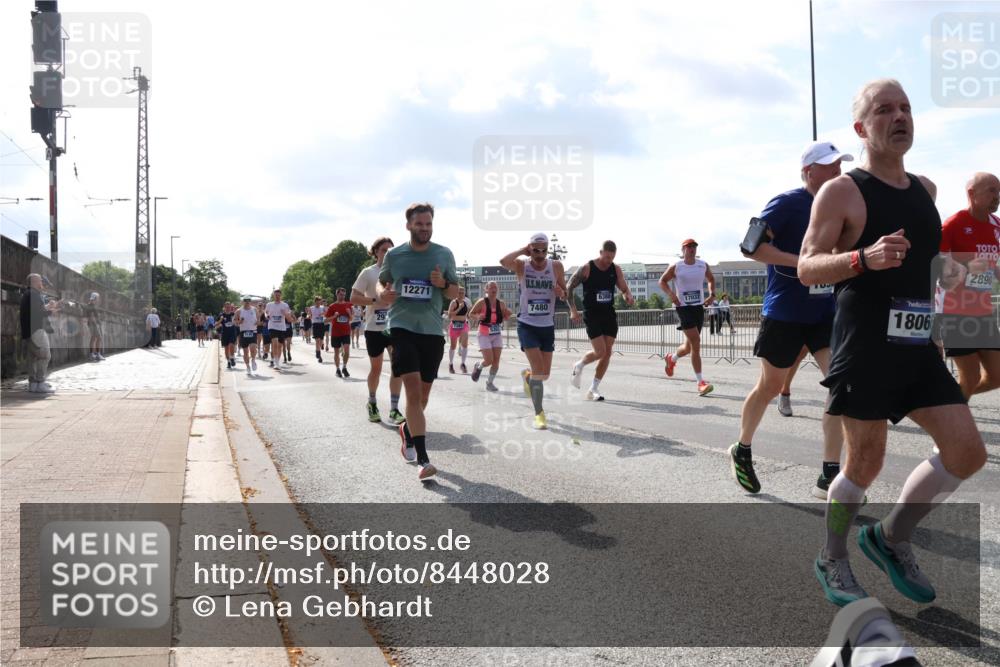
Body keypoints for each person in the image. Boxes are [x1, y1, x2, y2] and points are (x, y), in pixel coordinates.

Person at [799, 79, 986, 607]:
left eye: (905, 107)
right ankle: (832, 555)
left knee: (968, 452)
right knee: (864, 463)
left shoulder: (925, 190)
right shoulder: (843, 191)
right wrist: (863, 257)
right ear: (862, 128)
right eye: (885, 109)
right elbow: (808, 268)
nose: (898, 116)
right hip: (866, 347)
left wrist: (951, 277)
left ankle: (890, 536)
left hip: (918, 344)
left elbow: (926, 265)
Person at [729, 139, 851, 498]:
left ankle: (830, 472)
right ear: (809, 171)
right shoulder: (787, 203)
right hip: (785, 311)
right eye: (830, 166)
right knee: (769, 386)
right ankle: (743, 448)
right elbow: (750, 247)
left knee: (841, 384)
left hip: (824, 311)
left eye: (840, 165)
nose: (837, 171)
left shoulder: (840, 206)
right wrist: (800, 262)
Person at [378, 202, 459, 481]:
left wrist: (441, 285)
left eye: (428, 224)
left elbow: (455, 292)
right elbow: (382, 281)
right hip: (401, 326)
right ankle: (424, 460)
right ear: (409, 225)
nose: (424, 228)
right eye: (419, 224)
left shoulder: (444, 254)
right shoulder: (395, 255)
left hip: (432, 331)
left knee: (422, 398)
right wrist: (383, 293)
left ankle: (407, 431)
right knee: (412, 392)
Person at [937, 171, 1000, 399]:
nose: (998, 196)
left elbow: (992, 267)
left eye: (999, 190)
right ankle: (953, 417)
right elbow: (940, 270)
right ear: (972, 194)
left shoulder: (997, 226)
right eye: (992, 190)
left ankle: (947, 403)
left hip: (983, 312)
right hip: (955, 311)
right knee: (970, 377)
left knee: (996, 377)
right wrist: (966, 267)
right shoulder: (954, 224)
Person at [500, 233, 568, 430]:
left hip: (547, 325)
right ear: (531, 249)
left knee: (544, 374)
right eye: (535, 250)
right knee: (540, 372)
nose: (540, 254)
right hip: (527, 324)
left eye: (543, 250)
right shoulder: (522, 265)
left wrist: (561, 293)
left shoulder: (555, 266)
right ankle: (539, 413)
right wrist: (523, 250)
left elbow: (564, 293)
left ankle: (528, 377)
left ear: (547, 249)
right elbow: (503, 261)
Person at [567, 240, 635, 401]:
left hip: (609, 314)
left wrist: (628, 296)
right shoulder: (587, 268)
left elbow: (624, 288)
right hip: (592, 314)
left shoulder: (615, 269)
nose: (608, 261)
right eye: (606, 258)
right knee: (600, 351)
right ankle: (579, 365)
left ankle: (593, 389)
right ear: (600, 253)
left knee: (607, 353)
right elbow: (569, 286)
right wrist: (573, 310)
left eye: (611, 258)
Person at [352, 236, 405, 424]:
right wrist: (375, 301)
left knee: (397, 368)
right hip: (374, 328)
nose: (387, 253)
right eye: (384, 250)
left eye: (391, 250)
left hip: (395, 326)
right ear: (375, 252)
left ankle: (394, 409)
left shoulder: (398, 273)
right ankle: (372, 402)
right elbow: (354, 298)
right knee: (376, 369)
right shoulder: (368, 273)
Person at [660, 239, 716, 396]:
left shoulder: (702, 265)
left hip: (698, 307)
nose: (692, 249)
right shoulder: (677, 266)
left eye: (694, 247)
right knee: (696, 342)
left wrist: (712, 294)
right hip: (683, 308)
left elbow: (711, 279)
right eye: (689, 247)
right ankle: (700, 383)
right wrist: (672, 295)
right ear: (683, 249)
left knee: (689, 347)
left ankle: (672, 358)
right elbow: (662, 281)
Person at [468, 281, 513, 392]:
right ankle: (479, 366)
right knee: (488, 360)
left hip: (496, 334)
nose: (494, 289)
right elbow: (471, 314)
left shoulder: (501, 303)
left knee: (496, 361)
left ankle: (490, 383)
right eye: (491, 287)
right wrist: (478, 316)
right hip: (484, 334)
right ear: (486, 289)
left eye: (495, 287)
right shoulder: (481, 302)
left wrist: (507, 314)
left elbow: (505, 315)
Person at [20, 273, 61, 393]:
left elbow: (37, 309)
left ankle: (33, 384)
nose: (42, 283)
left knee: (33, 358)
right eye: (40, 281)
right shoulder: (34, 294)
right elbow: (38, 313)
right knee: (45, 356)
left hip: (29, 331)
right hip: (36, 330)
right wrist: (51, 312)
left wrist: (49, 306)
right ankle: (40, 383)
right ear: (34, 282)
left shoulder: (29, 294)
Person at [325, 288, 353, 377]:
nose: (342, 296)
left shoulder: (349, 304)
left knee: (347, 350)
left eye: (344, 295)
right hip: (336, 333)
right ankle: (337, 369)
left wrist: (349, 314)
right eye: (341, 294)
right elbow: (325, 320)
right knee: (336, 352)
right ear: (337, 294)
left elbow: (352, 319)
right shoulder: (332, 306)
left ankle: (344, 367)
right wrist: (334, 316)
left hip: (346, 332)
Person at [446, 286, 473, 373]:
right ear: (456, 293)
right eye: (459, 292)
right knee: (453, 346)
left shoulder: (466, 303)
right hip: (454, 325)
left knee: (465, 344)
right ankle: (450, 364)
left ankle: (463, 363)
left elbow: (468, 313)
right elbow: (450, 315)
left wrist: (473, 316)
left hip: (464, 325)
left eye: (463, 292)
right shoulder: (454, 302)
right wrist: (459, 308)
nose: (461, 294)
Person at [265, 289, 293, 369]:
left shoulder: (285, 305)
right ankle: (276, 362)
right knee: (275, 343)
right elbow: (265, 312)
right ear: (274, 295)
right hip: (272, 326)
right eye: (276, 295)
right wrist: (267, 316)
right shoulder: (269, 304)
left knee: (280, 346)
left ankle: (277, 361)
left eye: (278, 295)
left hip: (281, 327)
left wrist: (285, 313)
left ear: (281, 295)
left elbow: (289, 319)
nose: (277, 296)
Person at [235, 296, 259, 375]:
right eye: (245, 301)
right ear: (243, 302)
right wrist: (240, 322)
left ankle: (253, 360)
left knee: (253, 348)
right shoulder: (239, 311)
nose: (247, 302)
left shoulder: (254, 309)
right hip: (243, 332)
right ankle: (248, 367)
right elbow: (235, 322)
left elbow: (258, 320)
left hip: (253, 331)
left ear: (250, 302)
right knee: (245, 352)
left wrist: (257, 323)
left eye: (249, 300)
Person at [84, 292, 105, 361]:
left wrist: (98, 321)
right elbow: (91, 316)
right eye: (97, 298)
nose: (98, 299)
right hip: (93, 324)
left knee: (95, 338)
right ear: (95, 298)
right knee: (97, 338)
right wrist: (96, 322)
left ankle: (94, 354)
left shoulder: (92, 305)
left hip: (94, 324)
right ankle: (95, 354)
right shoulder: (90, 305)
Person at [218, 302, 238, 369]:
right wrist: (220, 320)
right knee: (226, 349)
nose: (228, 308)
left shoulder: (233, 314)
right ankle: (228, 361)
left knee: (231, 345)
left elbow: (237, 321)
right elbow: (216, 324)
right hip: (225, 333)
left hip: (232, 333)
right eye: (226, 307)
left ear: (230, 308)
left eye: (229, 307)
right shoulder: (222, 315)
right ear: (224, 307)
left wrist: (236, 322)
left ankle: (232, 357)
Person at [308, 296, 326, 363]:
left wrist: (323, 314)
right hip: (315, 324)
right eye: (317, 302)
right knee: (317, 340)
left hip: (321, 324)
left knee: (321, 341)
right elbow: (309, 315)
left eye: (319, 302)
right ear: (315, 302)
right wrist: (309, 316)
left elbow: (326, 313)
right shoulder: (311, 308)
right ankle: (319, 354)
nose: (318, 303)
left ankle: (319, 348)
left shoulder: (322, 307)